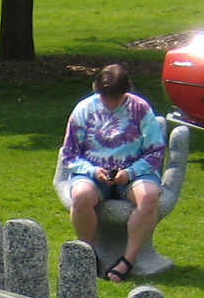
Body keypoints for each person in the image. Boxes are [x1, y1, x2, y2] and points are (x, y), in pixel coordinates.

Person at [60, 63, 167, 281]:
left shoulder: (140, 108)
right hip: (94, 172)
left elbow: (155, 151)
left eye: (116, 98)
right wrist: (91, 171)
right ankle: (88, 254)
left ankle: (127, 260)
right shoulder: (83, 110)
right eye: (106, 97)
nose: (111, 103)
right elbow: (69, 155)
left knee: (148, 196)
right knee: (80, 196)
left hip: (134, 172)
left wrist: (129, 172)